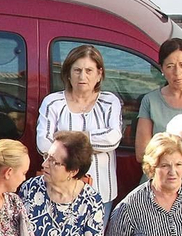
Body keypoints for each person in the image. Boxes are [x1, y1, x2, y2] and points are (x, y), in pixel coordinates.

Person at [36, 45, 123, 215]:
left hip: (101, 193)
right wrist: (92, 144)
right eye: (77, 70)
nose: (82, 76)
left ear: (99, 74)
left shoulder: (109, 102)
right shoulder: (53, 103)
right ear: (68, 74)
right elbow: (43, 145)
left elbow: (112, 139)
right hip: (59, 190)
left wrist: (67, 140)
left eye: (89, 70)